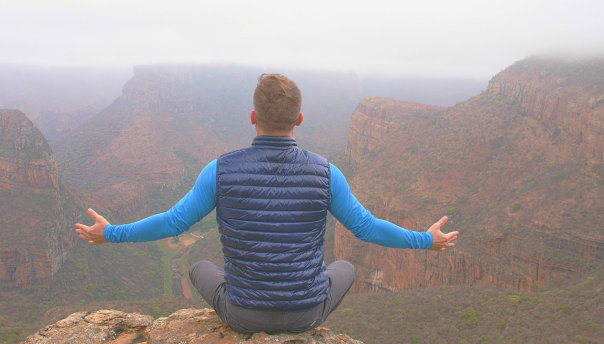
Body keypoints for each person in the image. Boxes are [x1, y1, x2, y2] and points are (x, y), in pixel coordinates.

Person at [75, 73, 459, 333]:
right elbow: (368, 228)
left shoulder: (219, 171)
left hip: (243, 316)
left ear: (253, 117)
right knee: (344, 267)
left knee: (199, 267)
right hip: (306, 314)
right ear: (300, 118)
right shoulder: (327, 174)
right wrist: (426, 240)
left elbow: (174, 223)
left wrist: (111, 233)